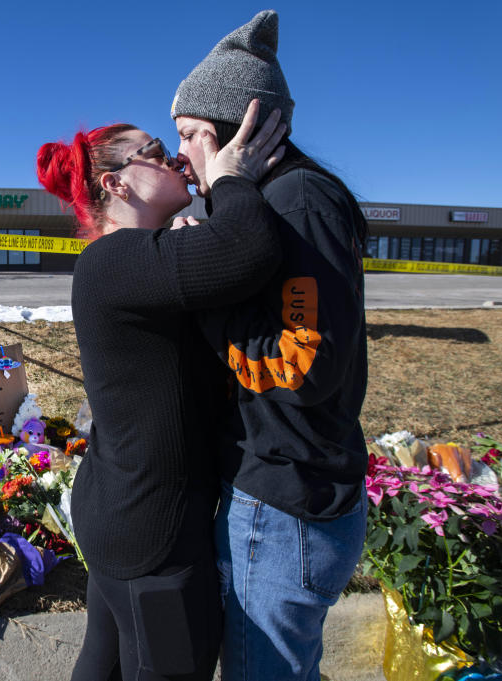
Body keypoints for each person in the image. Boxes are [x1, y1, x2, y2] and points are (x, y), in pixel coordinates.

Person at [37, 100, 287, 681]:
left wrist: (189, 233)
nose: (175, 156)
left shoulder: (129, 259)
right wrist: (231, 178)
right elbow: (248, 251)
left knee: (105, 664)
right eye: (153, 152)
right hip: (154, 536)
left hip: (123, 513)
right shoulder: (115, 260)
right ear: (115, 183)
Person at [171, 10, 370, 681]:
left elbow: (303, 366)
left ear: (243, 129)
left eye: (192, 134)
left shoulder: (297, 202)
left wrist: (208, 300)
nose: (183, 153)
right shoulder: (267, 201)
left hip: (287, 511)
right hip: (286, 496)